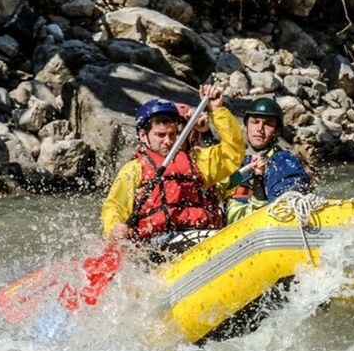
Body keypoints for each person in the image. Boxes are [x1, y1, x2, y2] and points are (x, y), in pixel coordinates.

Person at [100, 84, 245, 256]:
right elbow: (114, 206)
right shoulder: (134, 169)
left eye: (172, 134)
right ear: (142, 136)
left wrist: (217, 110)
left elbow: (233, 151)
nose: (168, 141)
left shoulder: (197, 161)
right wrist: (115, 226)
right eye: (160, 135)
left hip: (201, 236)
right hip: (157, 244)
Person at [220, 97, 312, 225]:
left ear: (277, 131)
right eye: (255, 122)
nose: (260, 129)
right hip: (230, 220)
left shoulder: (281, 160)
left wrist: (259, 178)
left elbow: (285, 201)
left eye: (268, 124)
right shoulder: (234, 157)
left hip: (262, 224)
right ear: (246, 126)